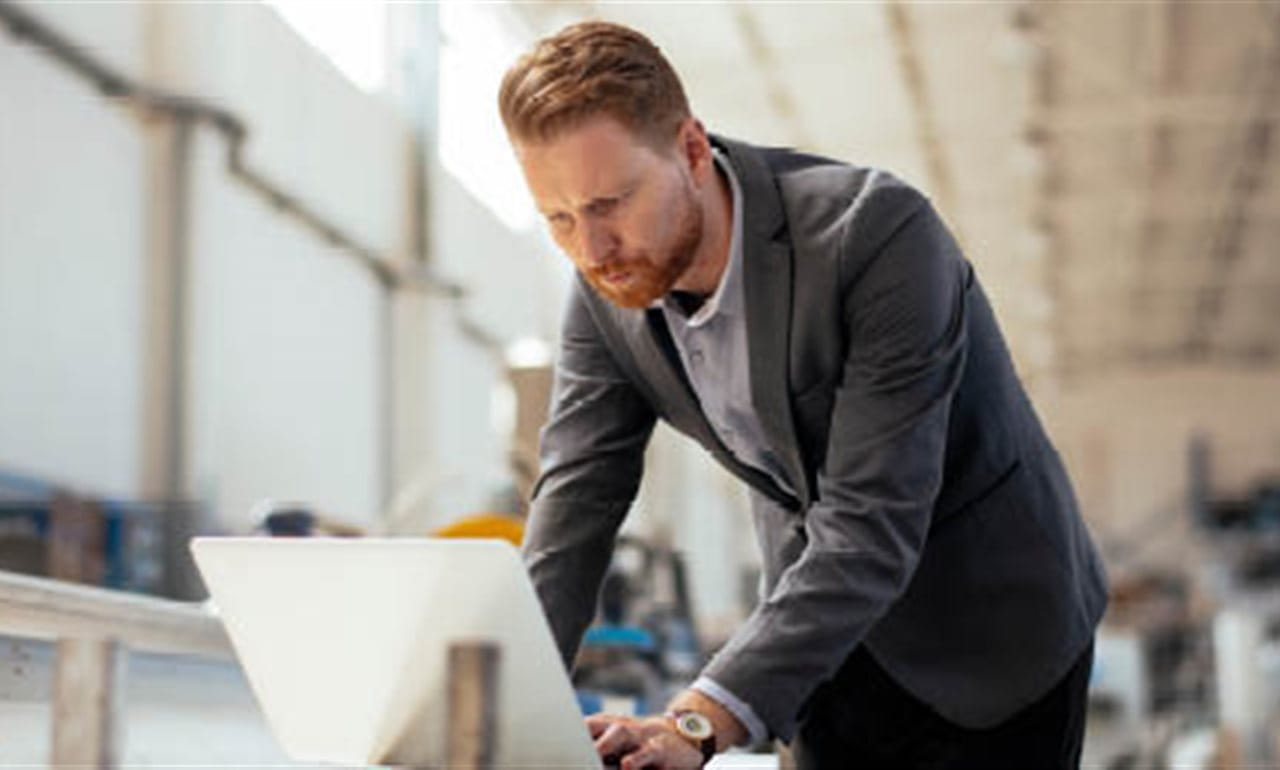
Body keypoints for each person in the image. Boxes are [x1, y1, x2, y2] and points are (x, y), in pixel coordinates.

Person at [500, 20, 1108, 770]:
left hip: (990, 636)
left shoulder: (876, 238)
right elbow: (576, 499)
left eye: (610, 203)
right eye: (559, 219)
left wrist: (694, 724)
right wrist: (499, 705)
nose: (591, 249)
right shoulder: (605, 293)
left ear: (691, 149)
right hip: (822, 648)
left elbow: (871, 520)